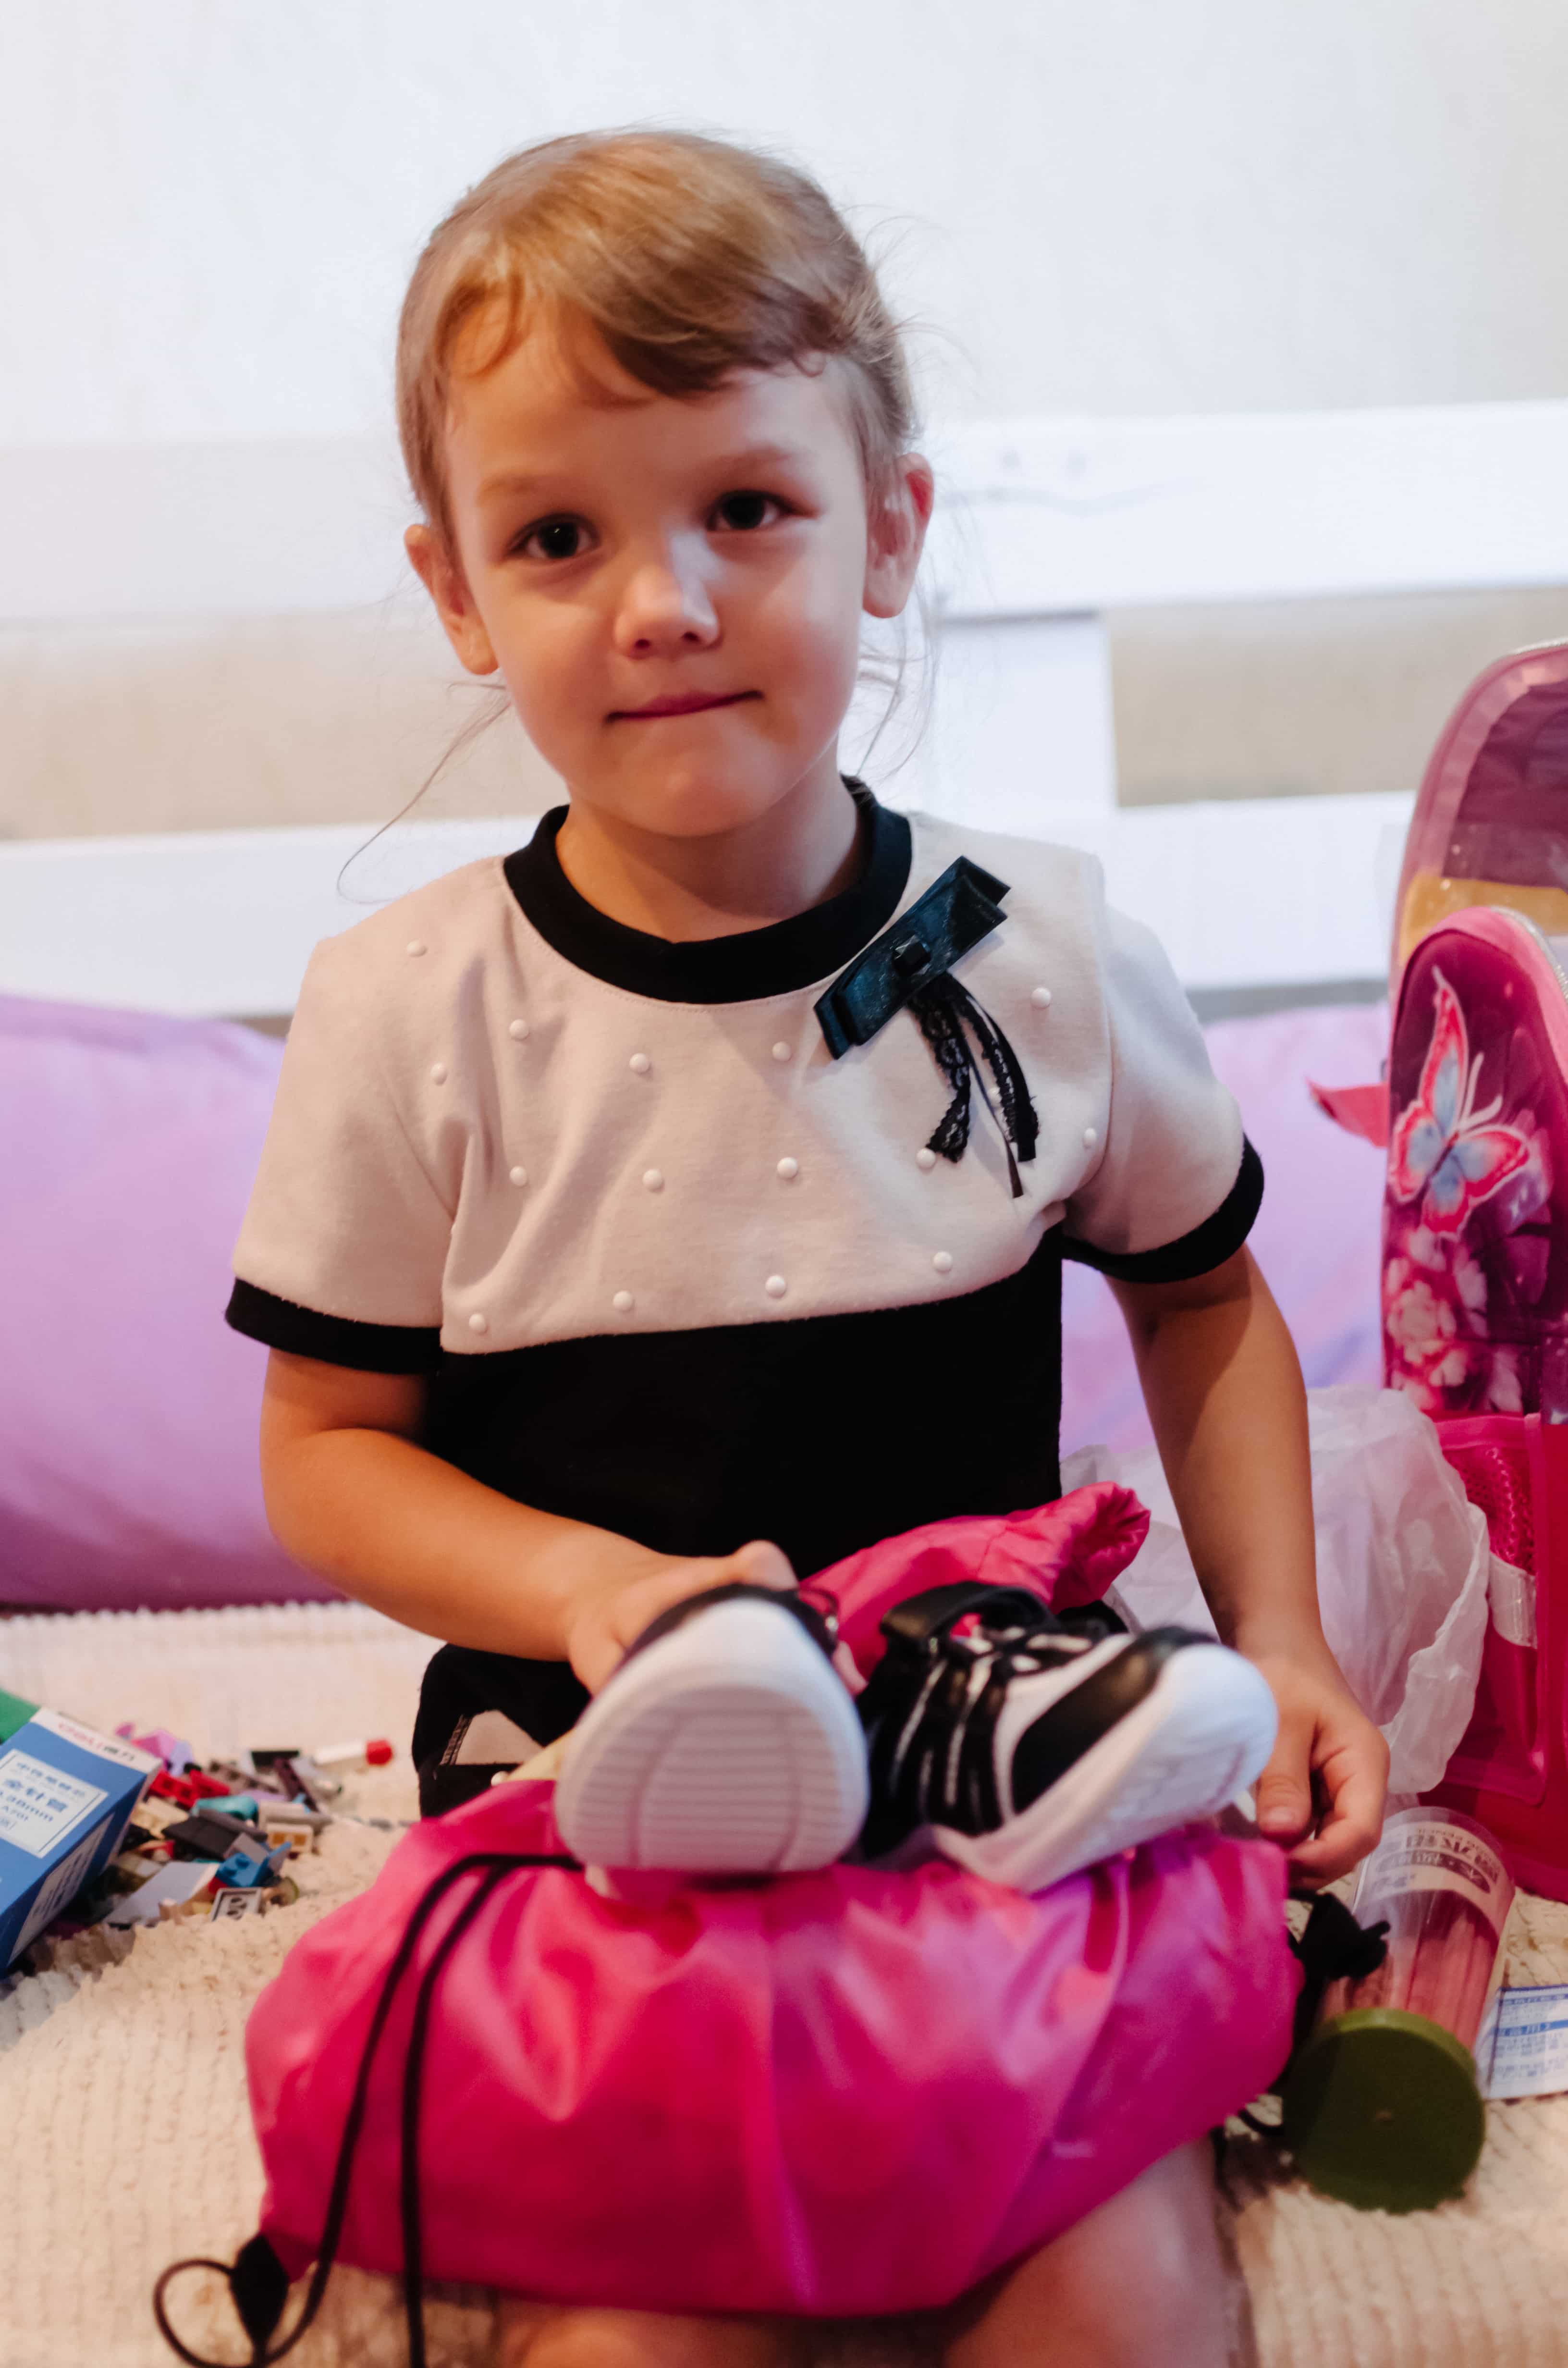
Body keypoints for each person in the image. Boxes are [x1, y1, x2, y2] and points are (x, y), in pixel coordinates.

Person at [227, 127, 1389, 2368]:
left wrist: (1288, 1638)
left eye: (747, 506)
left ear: (891, 530)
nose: (662, 599)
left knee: (1126, 2302)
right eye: (557, 537)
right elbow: (326, 1453)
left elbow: (1204, 1293)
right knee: (646, 2326)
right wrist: (589, 1588)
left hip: (999, 1764)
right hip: (595, 1788)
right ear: (458, 592)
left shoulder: (1042, 955)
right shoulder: (409, 1012)